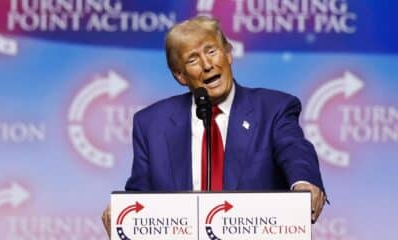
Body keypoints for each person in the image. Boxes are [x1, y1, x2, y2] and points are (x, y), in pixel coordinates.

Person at [102, 15, 327, 237]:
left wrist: (304, 182)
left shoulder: (273, 108)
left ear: (228, 54)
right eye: (192, 59)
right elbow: (140, 193)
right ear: (180, 75)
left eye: (211, 51)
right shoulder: (151, 124)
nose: (207, 65)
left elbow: (295, 151)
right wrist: (122, 212)